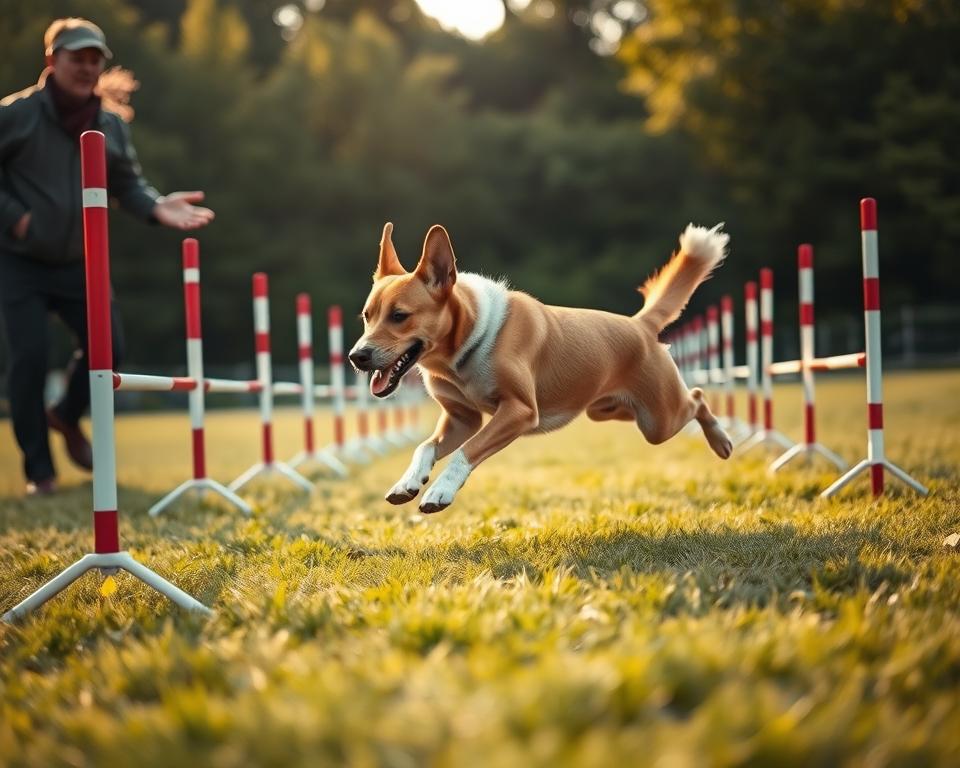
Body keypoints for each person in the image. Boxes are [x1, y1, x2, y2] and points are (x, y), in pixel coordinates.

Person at [0, 18, 215, 496]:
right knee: (29, 359)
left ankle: (66, 415)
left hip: (80, 262)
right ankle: (40, 474)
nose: (86, 67)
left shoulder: (111, 124)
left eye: (94, 59)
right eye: (76, 58)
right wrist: (16, 218)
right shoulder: (14, 115)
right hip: (19, 261)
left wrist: (156, 206)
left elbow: (127, 185)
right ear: (52, 60)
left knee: (110, 351)